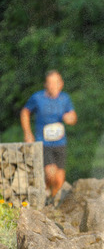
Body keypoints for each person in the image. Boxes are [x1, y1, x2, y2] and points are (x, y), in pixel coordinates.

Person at [20, 70, 77, 200]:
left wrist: (70, 118)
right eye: (50, 83)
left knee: (59, 181)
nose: (53, 86)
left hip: (60, 143)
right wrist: (27, 133)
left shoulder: (65, 99)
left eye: (56, 83)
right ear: (46, 84)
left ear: (61, 84)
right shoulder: (37, 98)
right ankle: (43, 191)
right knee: (50, 173)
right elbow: (25, 112)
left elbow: (73, 117)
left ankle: (53, 204)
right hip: (43, 142)